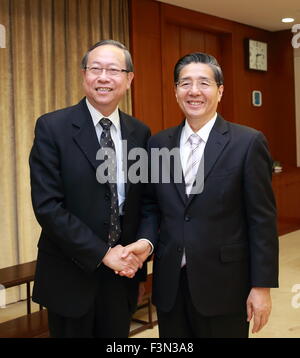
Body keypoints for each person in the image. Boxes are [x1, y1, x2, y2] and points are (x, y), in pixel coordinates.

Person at [122, 52, 279, 338]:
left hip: (225, 287)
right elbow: (151, 206)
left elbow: (262, 220)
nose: (194, 91)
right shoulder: (158, 144)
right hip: (171, 287)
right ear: (175, 92)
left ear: (220, 91)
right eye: (185, 83)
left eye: (204, 83)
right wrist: (145, 244)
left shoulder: (247, 142)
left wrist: (262, 286)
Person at [29, 40, 152, 338]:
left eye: (113, 70)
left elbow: (145, 202)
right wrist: (102, 253)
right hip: (69, 273)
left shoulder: (140, 132)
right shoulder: (52, 128)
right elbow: (48, 206)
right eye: (95, 69)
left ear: (129, 79)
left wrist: (145, 245)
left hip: (122, 274)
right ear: (84, 76)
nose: (103, 77)